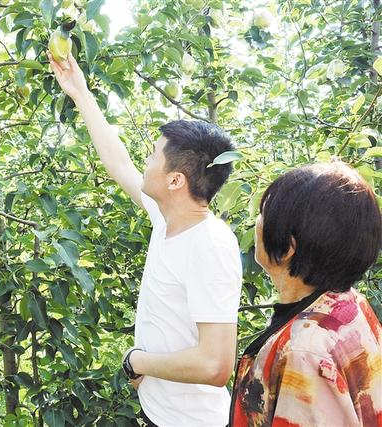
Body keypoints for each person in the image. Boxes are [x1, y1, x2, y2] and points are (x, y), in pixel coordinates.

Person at [48, 52, 243, 426]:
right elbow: (118, 163)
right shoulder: (167, 217)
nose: (146, 163)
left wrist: (136, 361)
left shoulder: (210, 245)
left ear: (175, 180)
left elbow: (215, 365)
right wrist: (80, 93)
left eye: (154, 157)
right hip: (161, 413)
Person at [229, 162, 382, 426]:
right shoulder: (348, 302)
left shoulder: (304, 351)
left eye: (263, 214)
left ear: (288, 248)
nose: (257, 222)